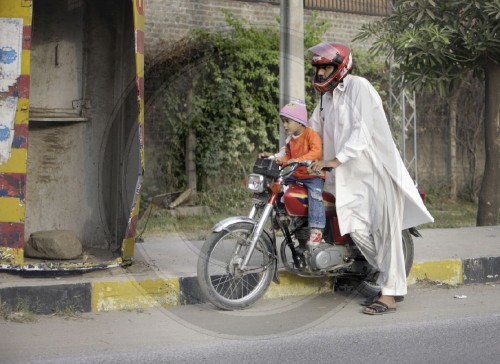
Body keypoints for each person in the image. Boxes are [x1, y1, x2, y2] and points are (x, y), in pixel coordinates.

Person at [307, 42, 434, 315]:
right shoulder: (325, 101)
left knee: (386, 233)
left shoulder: (359, 87)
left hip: (377, 172)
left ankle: (390, 294)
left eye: (326, 67)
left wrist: (333, 161)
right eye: (318, 68)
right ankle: (389, 277)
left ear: (341, 67)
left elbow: (361, 133)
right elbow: (311, 133)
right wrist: (288, 153)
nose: (320, 74)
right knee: (356, 230)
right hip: (349, 178)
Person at [260, 100, 326, 248]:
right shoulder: (290, 140)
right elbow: (286, 158)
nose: (284, 125)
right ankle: (281, 217)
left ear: (300, 122)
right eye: (283, 122)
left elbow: (316, 152)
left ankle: (317, 229)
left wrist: (298, 159)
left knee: (315, 195)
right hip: (297, 174)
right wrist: (274, 158)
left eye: (287, 122)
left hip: (313, 175)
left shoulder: (311, 135)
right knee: (279, 187)